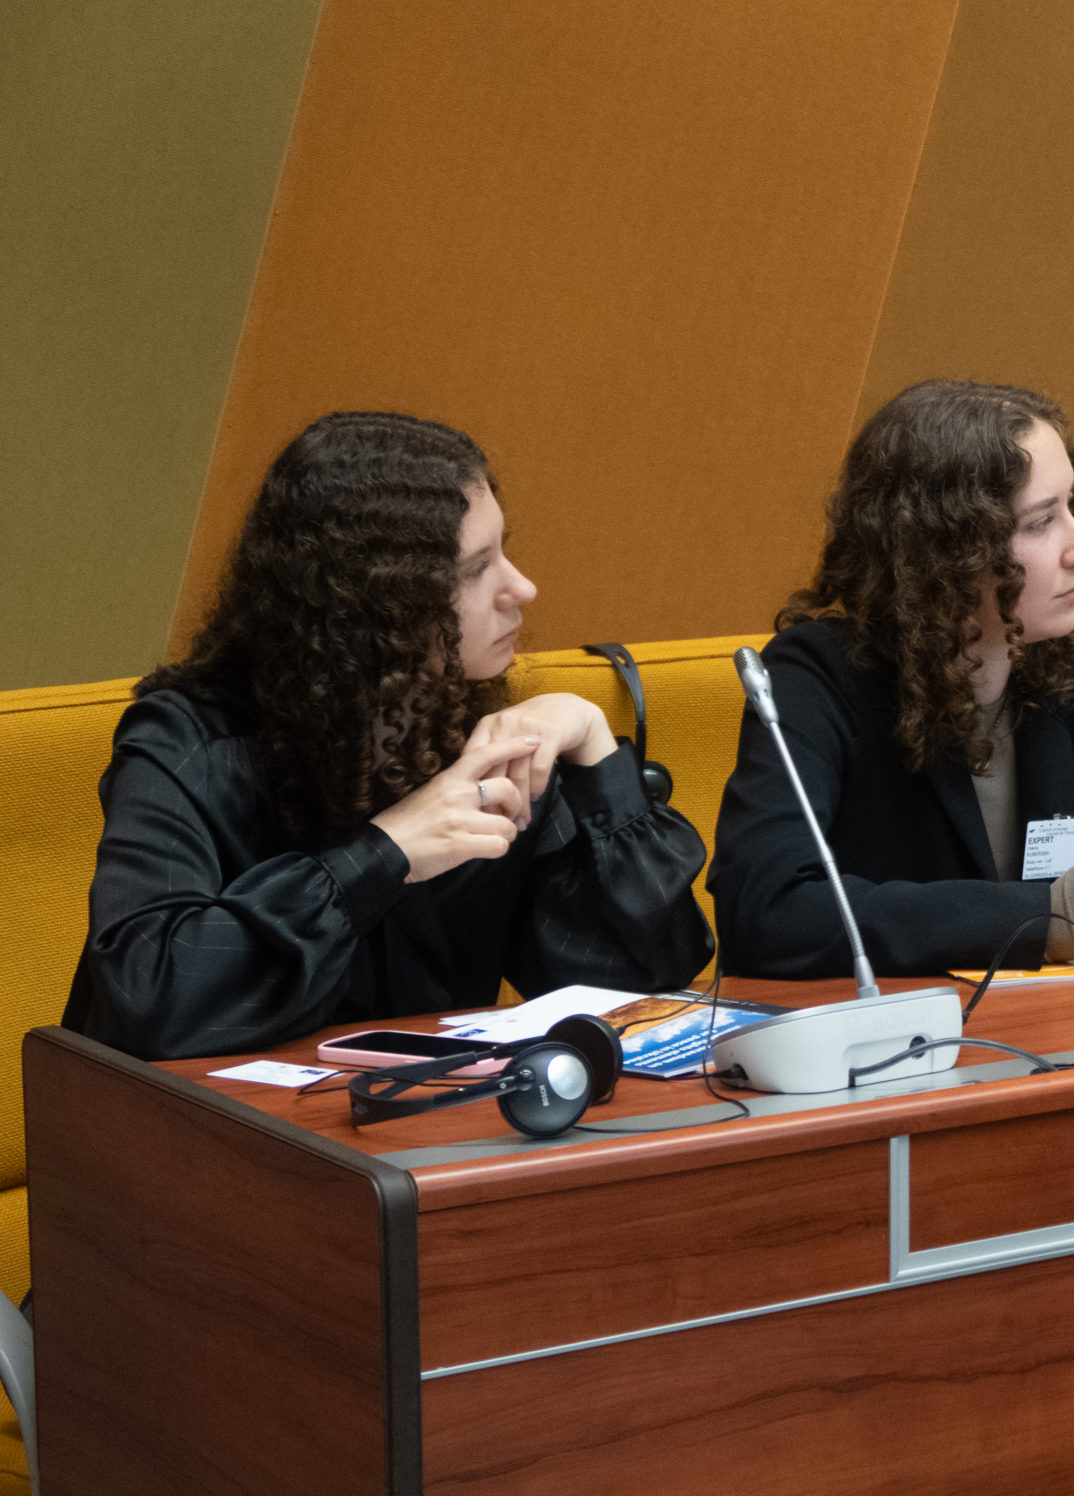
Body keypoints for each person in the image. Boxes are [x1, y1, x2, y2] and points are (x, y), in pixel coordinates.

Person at [69, 412, 714, 1062]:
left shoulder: (478, 736)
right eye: (477, 568)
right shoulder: (186, 742)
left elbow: (641, 989)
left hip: (407, 1139)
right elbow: (148, 993)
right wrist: (389, 853)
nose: (522, 587)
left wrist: (595, 747)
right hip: (197, 1138)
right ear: (378, 603)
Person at [712, 379, 1074, 980]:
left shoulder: (1069, 662)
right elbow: (767, 912)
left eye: (1072, 509)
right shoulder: (814, 678)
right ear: (945, 553)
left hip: (1035, 1035)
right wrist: (1043, 918)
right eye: (1040, 523)